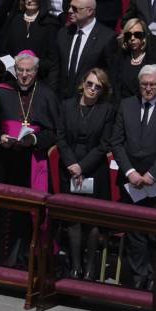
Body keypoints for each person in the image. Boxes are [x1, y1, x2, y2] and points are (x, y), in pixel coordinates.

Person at [109, 63, 156, 289]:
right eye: (144, 84)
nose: (148, 88)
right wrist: (130, 172)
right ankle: (140, 277)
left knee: (155, 234)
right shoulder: (126, 105)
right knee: (135, 233)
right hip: (132, 183)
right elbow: (117, 142)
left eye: (152, 84)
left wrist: (152, 174)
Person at [0, 50, 60, 266]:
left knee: (30, 213)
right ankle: (4, 258)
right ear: (14, 71)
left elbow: (54, 132)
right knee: (6, 211)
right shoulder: (2, 91)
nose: (24, 75)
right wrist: (0, 137)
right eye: (20, 70)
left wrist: (33, 141)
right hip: (5, 161)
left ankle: (28, 259)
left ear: (36, 72)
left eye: (28, 71)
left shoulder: (46, 95)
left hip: (34, 164)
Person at [56, 65, 114, 279]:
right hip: (69, 167)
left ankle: (90, 267)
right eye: (89, 84)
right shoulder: (67, 106)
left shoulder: (106, 110)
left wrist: (83, 166)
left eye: (97, 87)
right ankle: (75, 265)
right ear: (82, 84)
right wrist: (72, 164)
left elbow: (105, 143)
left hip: (94, 168)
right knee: (73, 219)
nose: (92, 89)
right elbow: (60, 137)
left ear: (102, 90)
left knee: (92, 221)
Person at [55, 0, 114, 99]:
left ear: (89, 11)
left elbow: (110, 75)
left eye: (75, 8)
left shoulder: (107, 37)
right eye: (70, 6)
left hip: (90, 102)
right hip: (61, 101)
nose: (69, 11)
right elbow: (55, 69)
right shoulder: (64, 33)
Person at [0, 0, 58, 87]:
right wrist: (15, 67)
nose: (29, 0)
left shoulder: (50, 24)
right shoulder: (15, 20)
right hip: (13, 78)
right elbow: (4, 50)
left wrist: (30, 67)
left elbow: (52, 60)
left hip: (39, 81)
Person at [110, 16, 156, 101]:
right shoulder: (121, 58)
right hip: (123, 108)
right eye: (128, 35)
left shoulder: (153, 59)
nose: (132, 38)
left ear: (144, 36)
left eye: (137, 35)